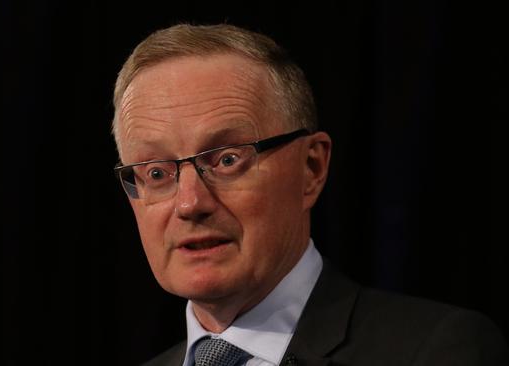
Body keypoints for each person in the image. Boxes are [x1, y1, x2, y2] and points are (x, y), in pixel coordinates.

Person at [110, 23, 508, 366]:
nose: (190, 203)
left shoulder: (433, 351)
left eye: (228, 160)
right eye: (157, 172)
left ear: (311, 169)